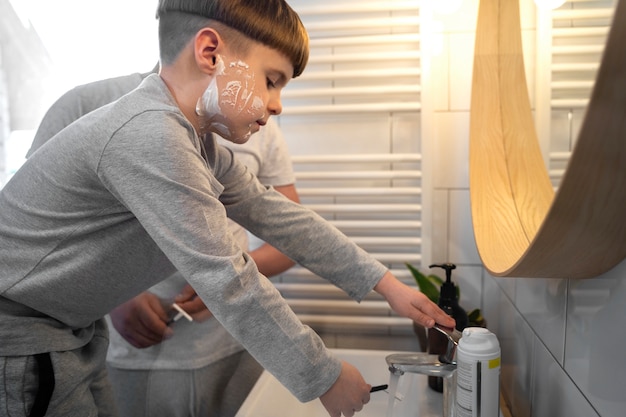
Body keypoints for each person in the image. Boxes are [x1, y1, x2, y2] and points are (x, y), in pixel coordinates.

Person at [0, 1, 456, 417]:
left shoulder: (195, 142)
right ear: (211, 52)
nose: (276, 105)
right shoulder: (150, 135)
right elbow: (228, 279)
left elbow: (279, 216)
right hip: (20, 334)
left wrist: (388, 285)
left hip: (68, 329)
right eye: (272, 80)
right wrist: (325, 376)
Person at [28, 67, 299, 417]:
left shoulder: (255, 124)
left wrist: (229, 275)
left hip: (233, 347)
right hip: (123, 356)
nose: (273, 103)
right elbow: (36, 234)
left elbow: (290, 236)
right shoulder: (84, 103)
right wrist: (111, 295)